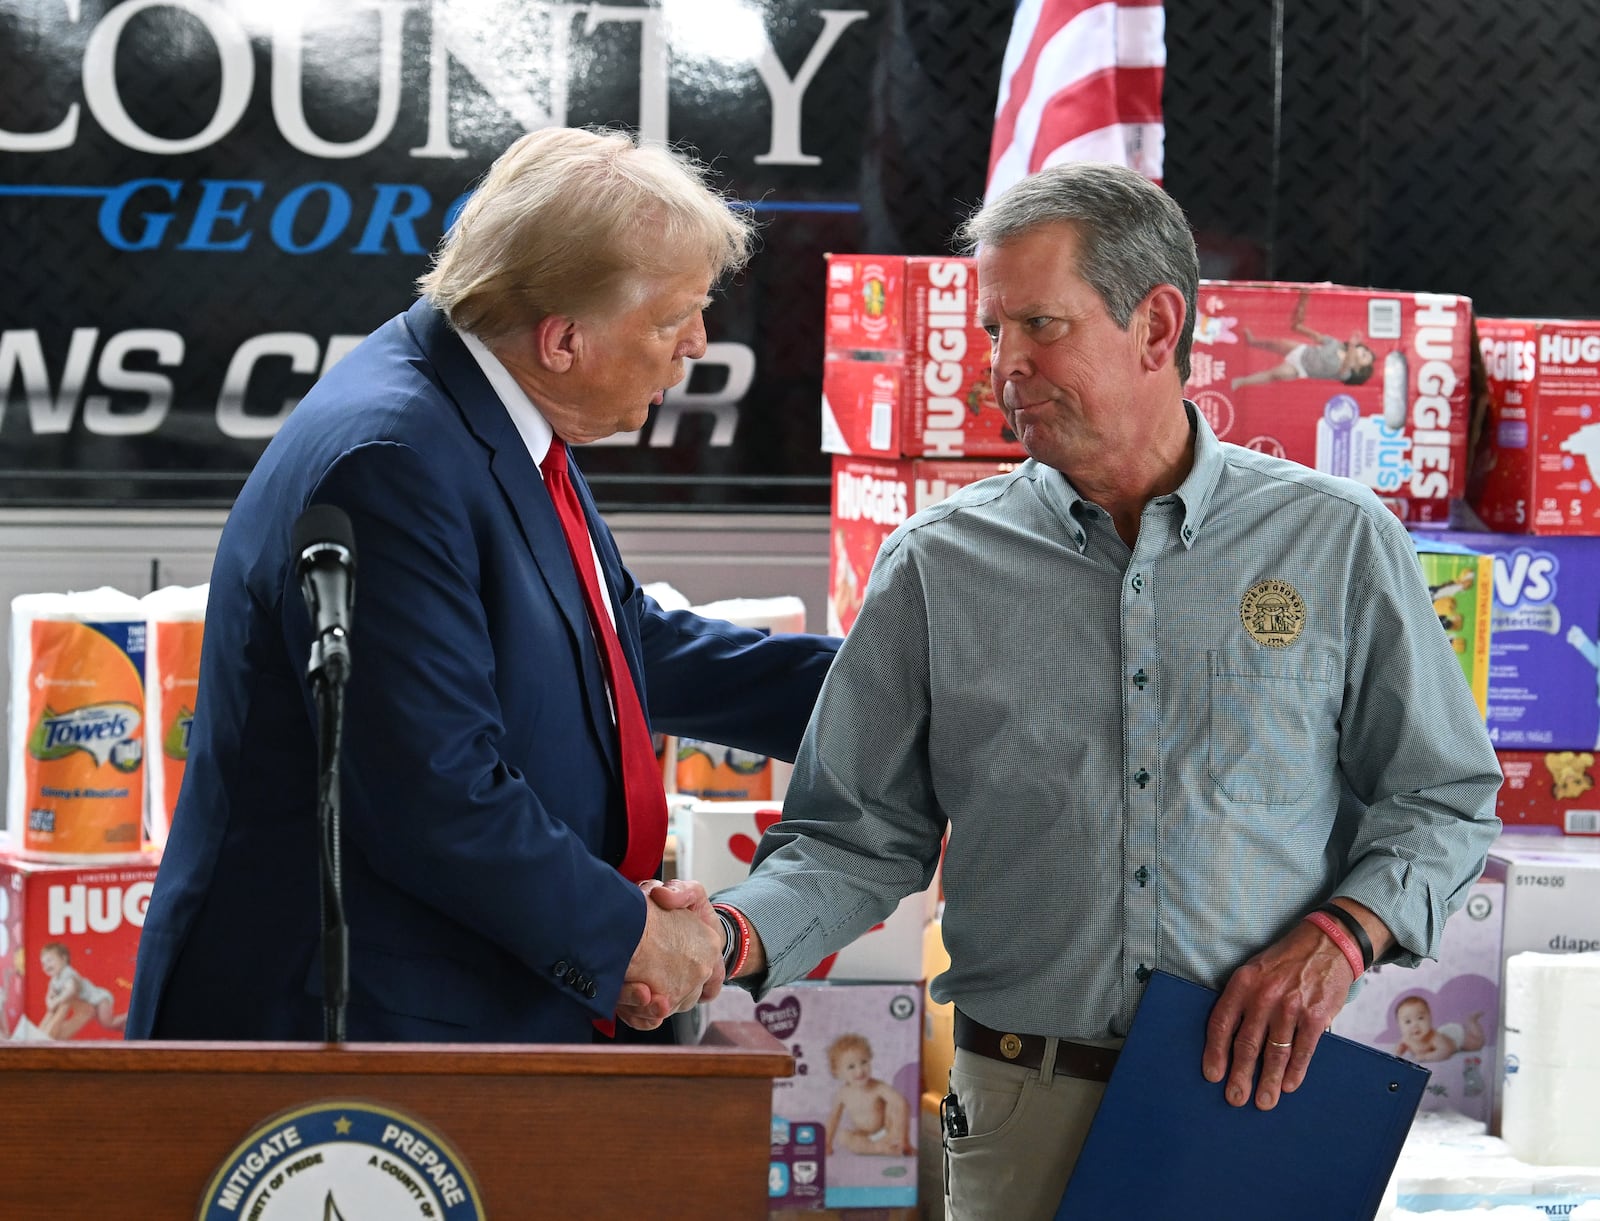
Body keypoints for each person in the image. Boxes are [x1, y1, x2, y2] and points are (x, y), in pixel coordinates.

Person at [708, 161, 1501, 1219]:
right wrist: (724, 940)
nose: (1004, 367)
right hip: (1016, 1112)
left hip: (1254, 1105)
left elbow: (1441, 798)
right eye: (994, 332)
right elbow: (851, 838)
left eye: (1039, 326)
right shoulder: (935, 565)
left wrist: (1342, 935)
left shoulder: (1335, 541)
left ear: (1156, 327)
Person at [126, 127, 838, 1045]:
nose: (697, 345)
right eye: (671, 319)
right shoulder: (393, 461)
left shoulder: (488, 405)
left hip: (443, 1008)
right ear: (565, 338)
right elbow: (437, 795)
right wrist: (632, 939)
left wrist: (893, 694)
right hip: (341, 1036)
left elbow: (622, 647)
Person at [1230, 286, 1376, 389]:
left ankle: (1241, 381)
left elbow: (1346, 365)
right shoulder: (1336, 344)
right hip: (1302, 351)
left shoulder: (1345, 373)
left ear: (1358, 369)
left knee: (1275, 374)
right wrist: (1301, 327)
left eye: (1364, 357)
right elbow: (1317, 337)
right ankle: (1253, 342)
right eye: (1363, 351)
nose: (1361, 352)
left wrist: (1351, 345)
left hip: (1300, 369)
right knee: (1276, 344)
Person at [824, 1032, 912, 1157]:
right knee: (843, 1137)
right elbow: (833, 1119)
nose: (859, 1070)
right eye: (851, 1067)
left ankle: (898, 1145)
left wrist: (904, 1139)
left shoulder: (878, 1087)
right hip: (864, 1135)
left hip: (886, 1132)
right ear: (838, 1073)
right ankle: (877, 1148)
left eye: (864, 1062)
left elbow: (902, 1104)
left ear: (870, 1059)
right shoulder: (842, 1094)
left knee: (896, 1104)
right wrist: (827, 1144)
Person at [39, 943, 125, 1038]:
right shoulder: (54, 980)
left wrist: (56, 1001)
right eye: (43, 963)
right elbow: (49, 994)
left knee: (108, 1023)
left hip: (99, 999)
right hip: (89, 1004)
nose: (46, 965)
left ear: (64, 959)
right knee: (111, 1026)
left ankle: (129, 1016)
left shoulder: (68, 974)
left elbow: (71, 991)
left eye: (50, 960)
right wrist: (49, 1003)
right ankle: (128, 1028)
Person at [1393, 994, 1486, 1063]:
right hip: (1444, 1033)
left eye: (1420, 1018)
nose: (1415, 1025)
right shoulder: (1406, 1040)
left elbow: (1446, 1051)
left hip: (1455, 1038)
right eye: (1408, 1022)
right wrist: (1397, 1053)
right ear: (1399, 1025)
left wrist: (1426, 1057)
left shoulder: (1434, 1037)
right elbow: (1397, 1051)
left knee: (1477, 1044)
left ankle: (1472, 1022)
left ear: (1430, 1018)